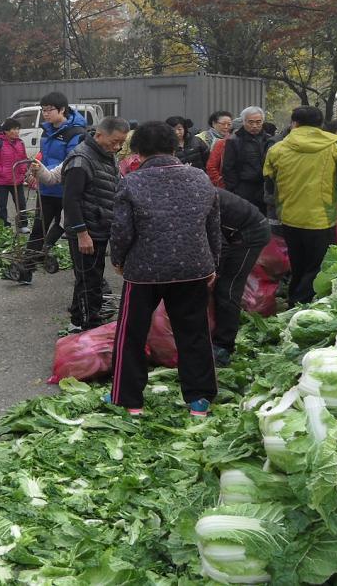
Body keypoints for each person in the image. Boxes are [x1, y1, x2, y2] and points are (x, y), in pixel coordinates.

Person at [107, 120, 222, 418]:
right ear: (174, 147)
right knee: (194, 332)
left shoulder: (132, 182)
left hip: (144, 271)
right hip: (193, 268)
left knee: (132, 333)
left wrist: (118, 260)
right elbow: (213, 226)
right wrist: (213, 263)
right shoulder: (199, 179)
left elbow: (121, 231)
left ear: (138, 152)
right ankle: (199, 400)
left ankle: (129, 400)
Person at [263, 106, 337, 306]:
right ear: (321, 124)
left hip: (289, 216)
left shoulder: (277, 148)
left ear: (294, 123)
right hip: (321, 219)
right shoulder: (335, 147)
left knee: (297, 263)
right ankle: (302, 302)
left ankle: (294, 300)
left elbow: (270, 180)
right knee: (318, 265)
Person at [62, 116, 129, 332]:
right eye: (115, 141)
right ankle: (89, 325)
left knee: (90, 277)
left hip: (100, 227)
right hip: (86, 231)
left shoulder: (106, 154)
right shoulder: (81, 159)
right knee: (89, 281)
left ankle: (76, 320)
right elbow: (70, 200)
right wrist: (82, 233)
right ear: (99, 135)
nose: (118, 147)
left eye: (122, 143)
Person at [22, 92, 87, 281]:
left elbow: (70, 162)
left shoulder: (76, 134)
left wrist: (43, 171)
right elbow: (44, 154)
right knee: (38, 228)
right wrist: (34, 168)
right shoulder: (46, 131)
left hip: (66, 190)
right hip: (46, 190)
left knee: (65, 226)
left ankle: (86, 279)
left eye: (49, 110)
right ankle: (26, 269)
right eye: (43, 110)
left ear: (62, 110)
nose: (45, 114)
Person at [211, 188, 271, 367]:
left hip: (251, 234)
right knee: (220, 286)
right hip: (234, 232)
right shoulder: (190, 193)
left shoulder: (198, 200)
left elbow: (220, 246)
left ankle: (223, 346)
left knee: (227, 289)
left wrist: (212, 274)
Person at [221, 106, 273, 213]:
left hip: (264, 187)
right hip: (244, 187)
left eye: (258, 122)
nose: (254, 126)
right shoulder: (234, 140)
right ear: (244, 122)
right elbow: (228, 168)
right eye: (250, 122)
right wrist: (235, 189)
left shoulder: (269, 140)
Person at [0, 118, 28, 226]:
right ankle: (3, 225)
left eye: (18, 129)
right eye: (14, 129)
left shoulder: (20, 143)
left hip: (17, 179)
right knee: (2, 205)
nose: (17, 132)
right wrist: (2, 171)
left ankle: (23, 224)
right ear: (6, 131)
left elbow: (23, 158)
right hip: (0, 181)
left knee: (21, 203)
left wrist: (23, 169)